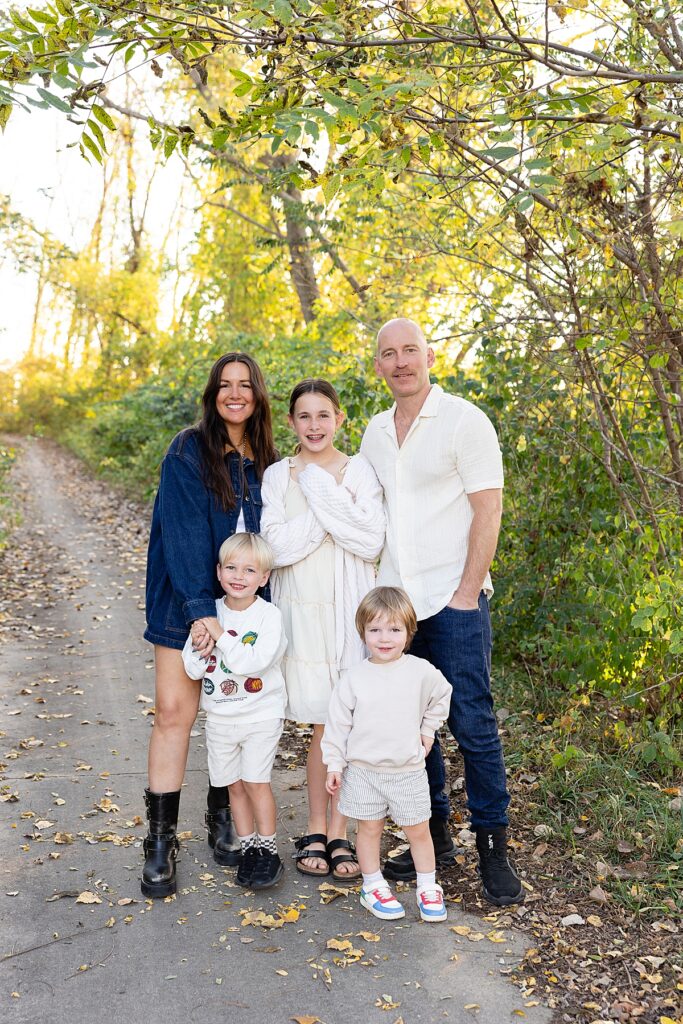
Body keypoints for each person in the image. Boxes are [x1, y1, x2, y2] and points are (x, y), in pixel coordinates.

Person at [360, 318, 523, 907]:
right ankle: (436, 840)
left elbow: (489, 509)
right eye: (388, 354)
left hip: (453, 603)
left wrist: (466, 592)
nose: (400, 361)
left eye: (409, 350)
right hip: (396, 611)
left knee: (472, 727)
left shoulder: (464, 420)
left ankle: (492, 851)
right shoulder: (375, 432)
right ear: (377, 366)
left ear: (429, 356)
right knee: (409, 729)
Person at [142, 352, 278, 898]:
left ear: (258, 394)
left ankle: (223, 812)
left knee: (237, 709)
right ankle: (159, 840)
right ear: (212, 394)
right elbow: (181, 534)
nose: (235, 394)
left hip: (246, 609)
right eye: (225, 385)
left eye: (245, 385)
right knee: (176, 712)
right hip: (186, 603)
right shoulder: (188, 450)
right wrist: (202, 611)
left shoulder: (270, 459)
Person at [260, 379, 385, 881]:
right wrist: (330, 508)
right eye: (304, 417)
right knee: (319, 727)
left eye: (323, 415)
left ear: (340, 419)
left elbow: (370, 539)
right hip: (301, 614)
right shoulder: (277, 475)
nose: (314, 426)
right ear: (290, 422)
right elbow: (276, 549)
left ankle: (341, 834)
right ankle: (316, 827)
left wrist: (319, 500)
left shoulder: (360, 471)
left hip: (350, 612)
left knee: (348, 726)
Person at [322, 587, 451, 922]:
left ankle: (427, 886)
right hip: (364, 771)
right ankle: (373, 884)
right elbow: (337, 724)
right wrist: (334, 764)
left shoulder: (420, 671)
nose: (384, 638)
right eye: (375, 629)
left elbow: (443, 695)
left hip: (407, 770)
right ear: (363, 632)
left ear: (409, 633)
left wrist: (427, 731)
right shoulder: (354, 678)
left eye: (394, 629)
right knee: (369, 830)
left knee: (418, 830)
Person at [181, 533, 287, 889]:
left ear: (264, 577)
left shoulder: (268, 617)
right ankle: (249, 847)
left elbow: (252, 663)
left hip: (260, 715)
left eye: (249, 569)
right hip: (221, 718)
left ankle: (269, 850)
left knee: (257, 782)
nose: (238, 576)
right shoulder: (209, 615)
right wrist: (200, 645)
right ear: (218, 571)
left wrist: (221, 637)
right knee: (234, 787)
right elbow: (193, 670)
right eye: (231, 567)